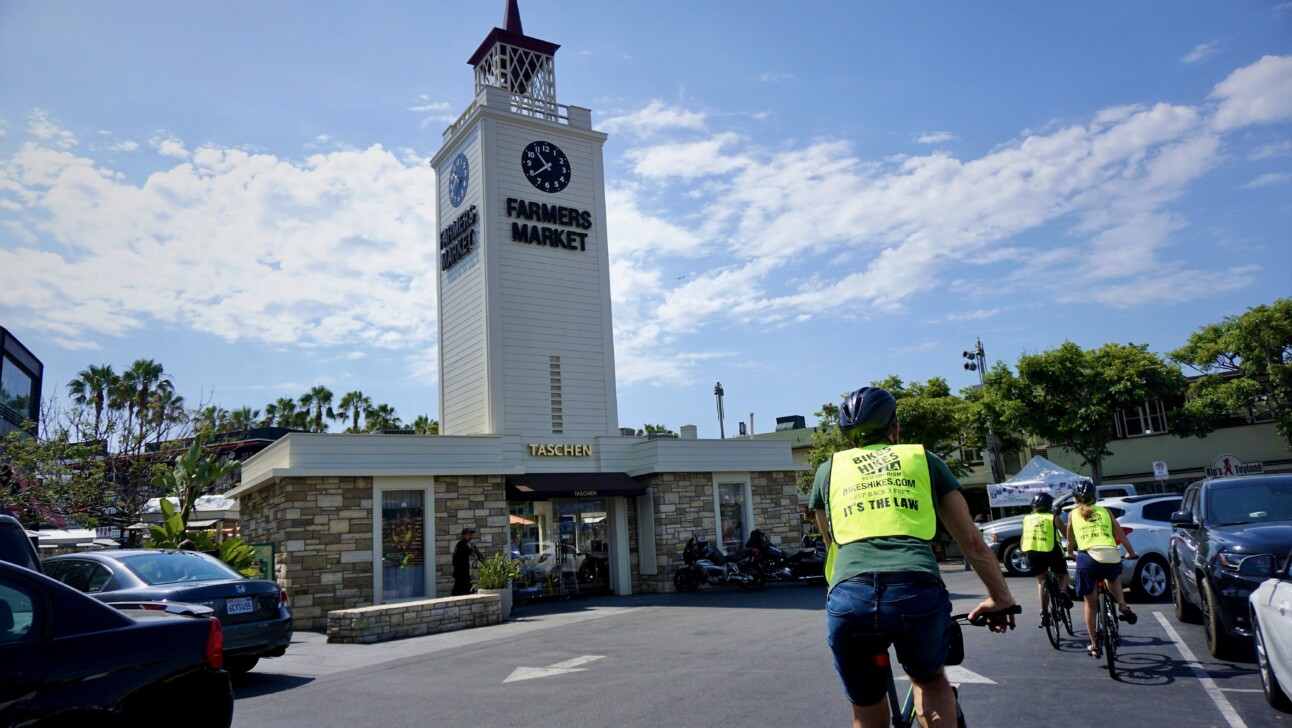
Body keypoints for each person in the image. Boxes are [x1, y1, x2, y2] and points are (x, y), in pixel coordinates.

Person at [811, 386, 1017, 728]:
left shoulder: (827, 471)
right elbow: (971, 540)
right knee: (930, 680)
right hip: (915, 591)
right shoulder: (923, 460)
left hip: (850, 597)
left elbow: (831, 543)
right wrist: (1000, 597)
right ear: (895, 428)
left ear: (850, 440)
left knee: (866, 709)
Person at [1065, 481, 1139, 658]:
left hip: (1087, 558)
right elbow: (1120, 534)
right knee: (1113, 577)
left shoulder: (1072, 515)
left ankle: (1094, 645)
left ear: (1075, 499)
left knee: (1090, 604)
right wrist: (1131, 553)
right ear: (1095, 497)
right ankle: (1122, 604)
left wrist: (1070, 554)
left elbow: (1070, 540)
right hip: (1110, 555)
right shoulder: (1106, 512)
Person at [1020, 492, 1072, 627]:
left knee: (1041, 580)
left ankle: (1044, 612)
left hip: (1032, 552)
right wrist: (1073, 546)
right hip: (1052, 552)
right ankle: (1062, 591)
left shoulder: (1027, 519)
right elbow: (1066, 534)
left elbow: (1023, 538)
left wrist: (1023, 551)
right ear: (1049, 506)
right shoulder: (1053, 517)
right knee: (1062, 574)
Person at [451, 526, 481, 596]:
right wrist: (473, 547)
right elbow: (473, 554)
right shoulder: (462, 545)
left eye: (471, 535)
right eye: (469, 535)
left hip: (461, 573)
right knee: (465, 592)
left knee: (460, 592)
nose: (470, 537)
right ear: (463, 535)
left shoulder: (461, 544)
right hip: (462, 574)